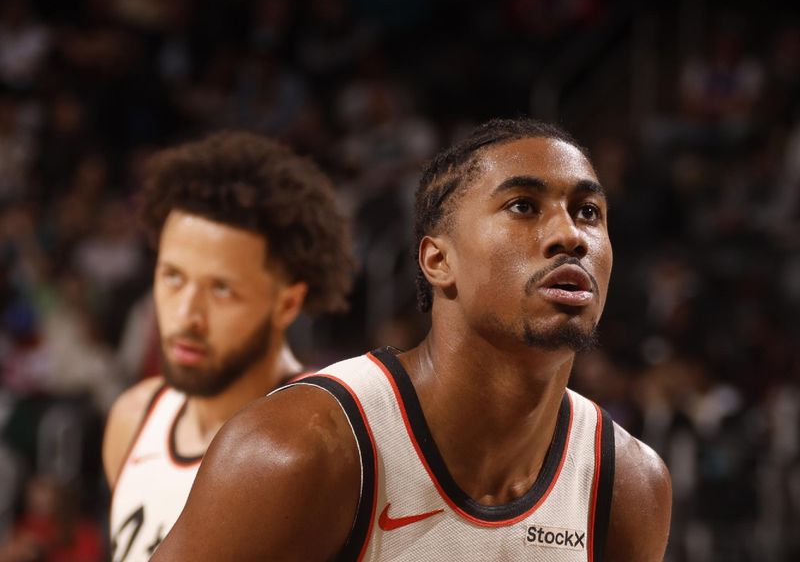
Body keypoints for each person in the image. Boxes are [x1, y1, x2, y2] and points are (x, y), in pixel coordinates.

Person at [152, 118, 672, 561]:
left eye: (588, 212)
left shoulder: (626, 484)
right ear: (437, 261)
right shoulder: (302, 449)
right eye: (523, 206)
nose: (571, 236)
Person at [101, 131, 354, 562]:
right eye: (173, 277)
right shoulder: (132, 419)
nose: (186, 315)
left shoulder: (327, 442)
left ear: (288, 303)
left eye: (221, 289)